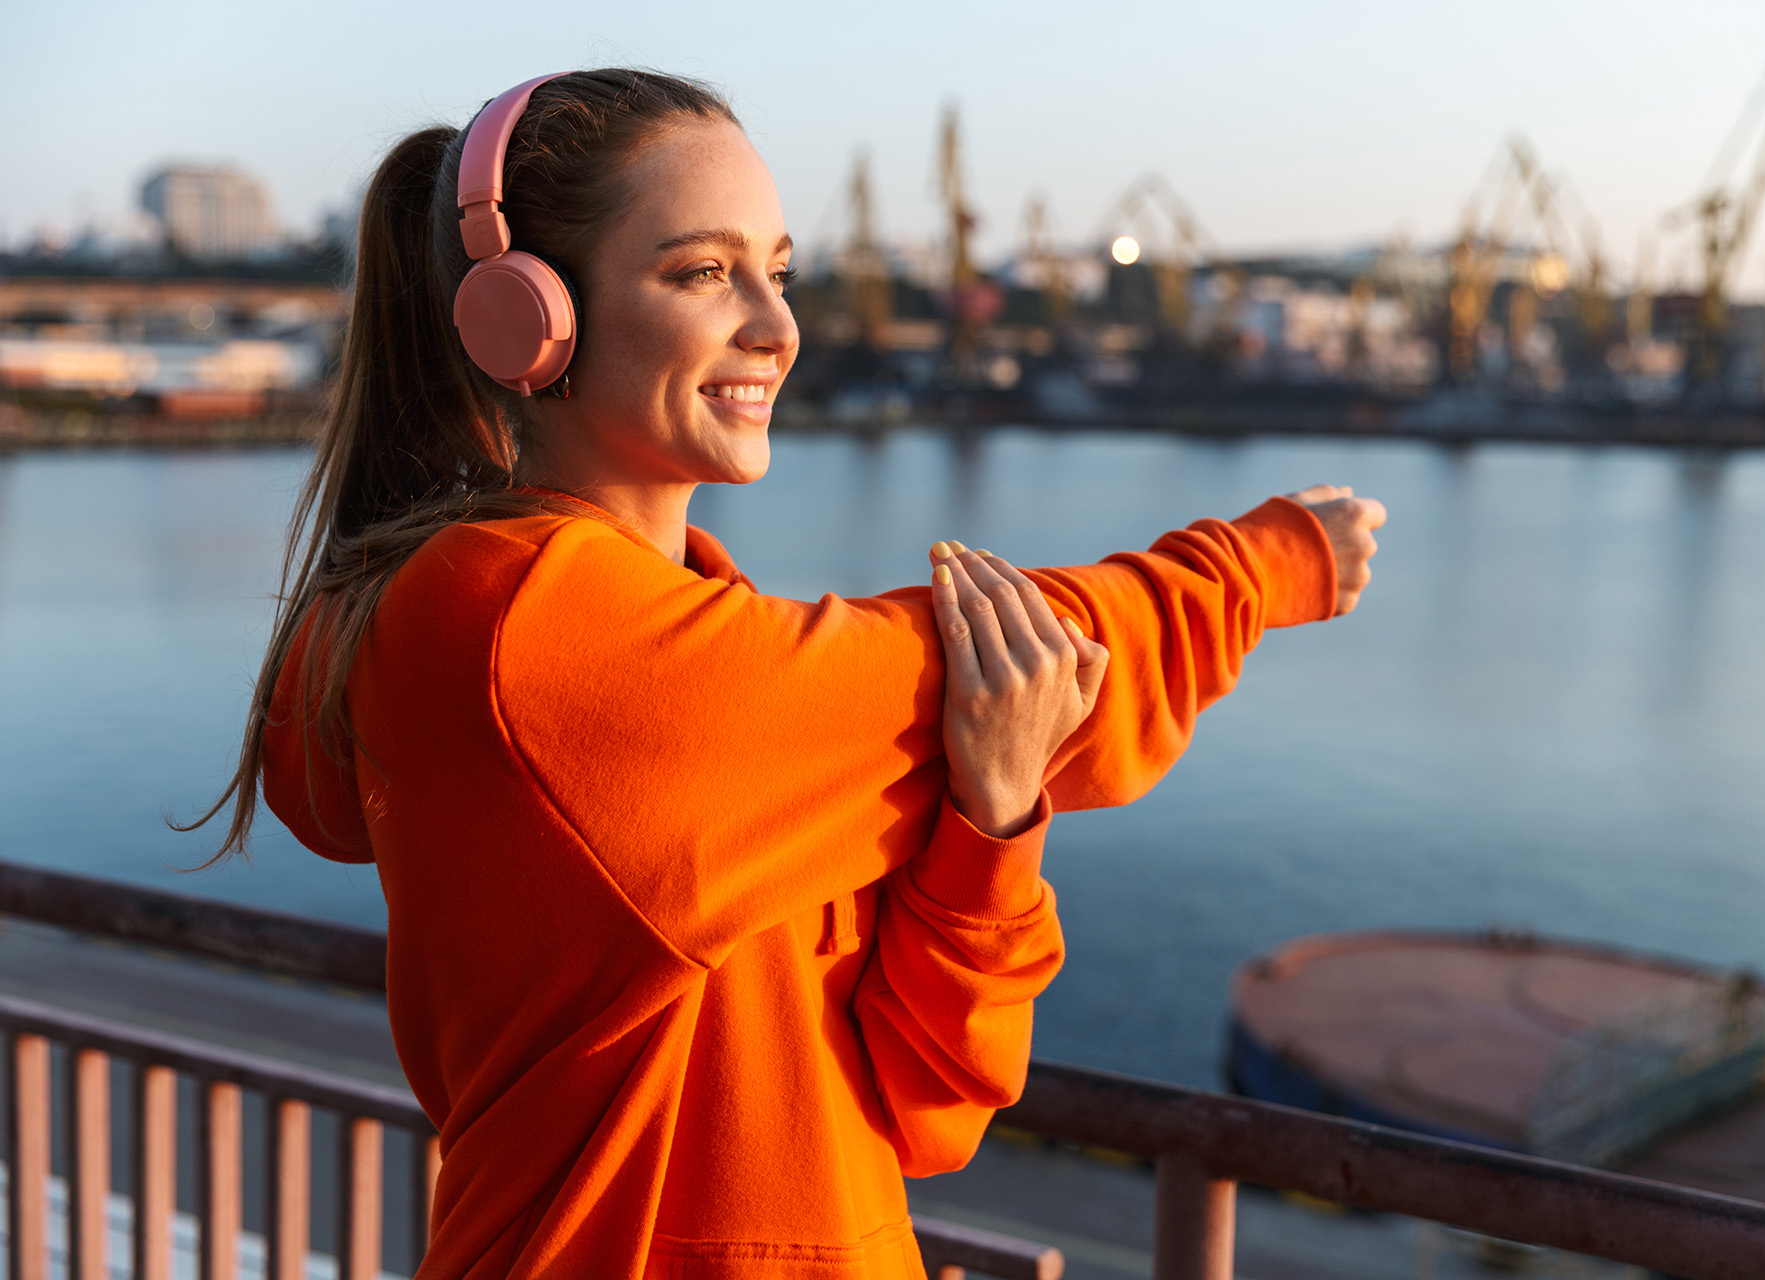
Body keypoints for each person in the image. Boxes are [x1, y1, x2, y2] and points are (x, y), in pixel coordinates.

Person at [197, 69, 1386, 1280]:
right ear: (527, 316)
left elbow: (928, 1107)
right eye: (702, 271)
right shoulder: (527, 628)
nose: (776, 324)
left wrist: (992, 817)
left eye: (780, 270)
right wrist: (1265, 564)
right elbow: (1022, 644)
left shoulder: (724, 677)